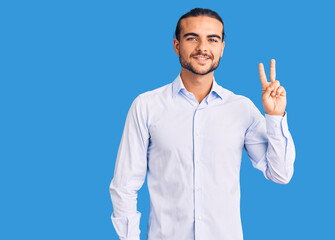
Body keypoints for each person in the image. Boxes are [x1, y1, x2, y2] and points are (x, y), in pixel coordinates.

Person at [109, 8, 296, 240]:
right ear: (177, 45)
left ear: (222, 48)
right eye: (192, 38)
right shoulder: (146, 106)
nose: (202, 48)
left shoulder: (242, 108)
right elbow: (124, 186)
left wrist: (275, 117)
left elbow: (280, 173)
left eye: (212, 39)